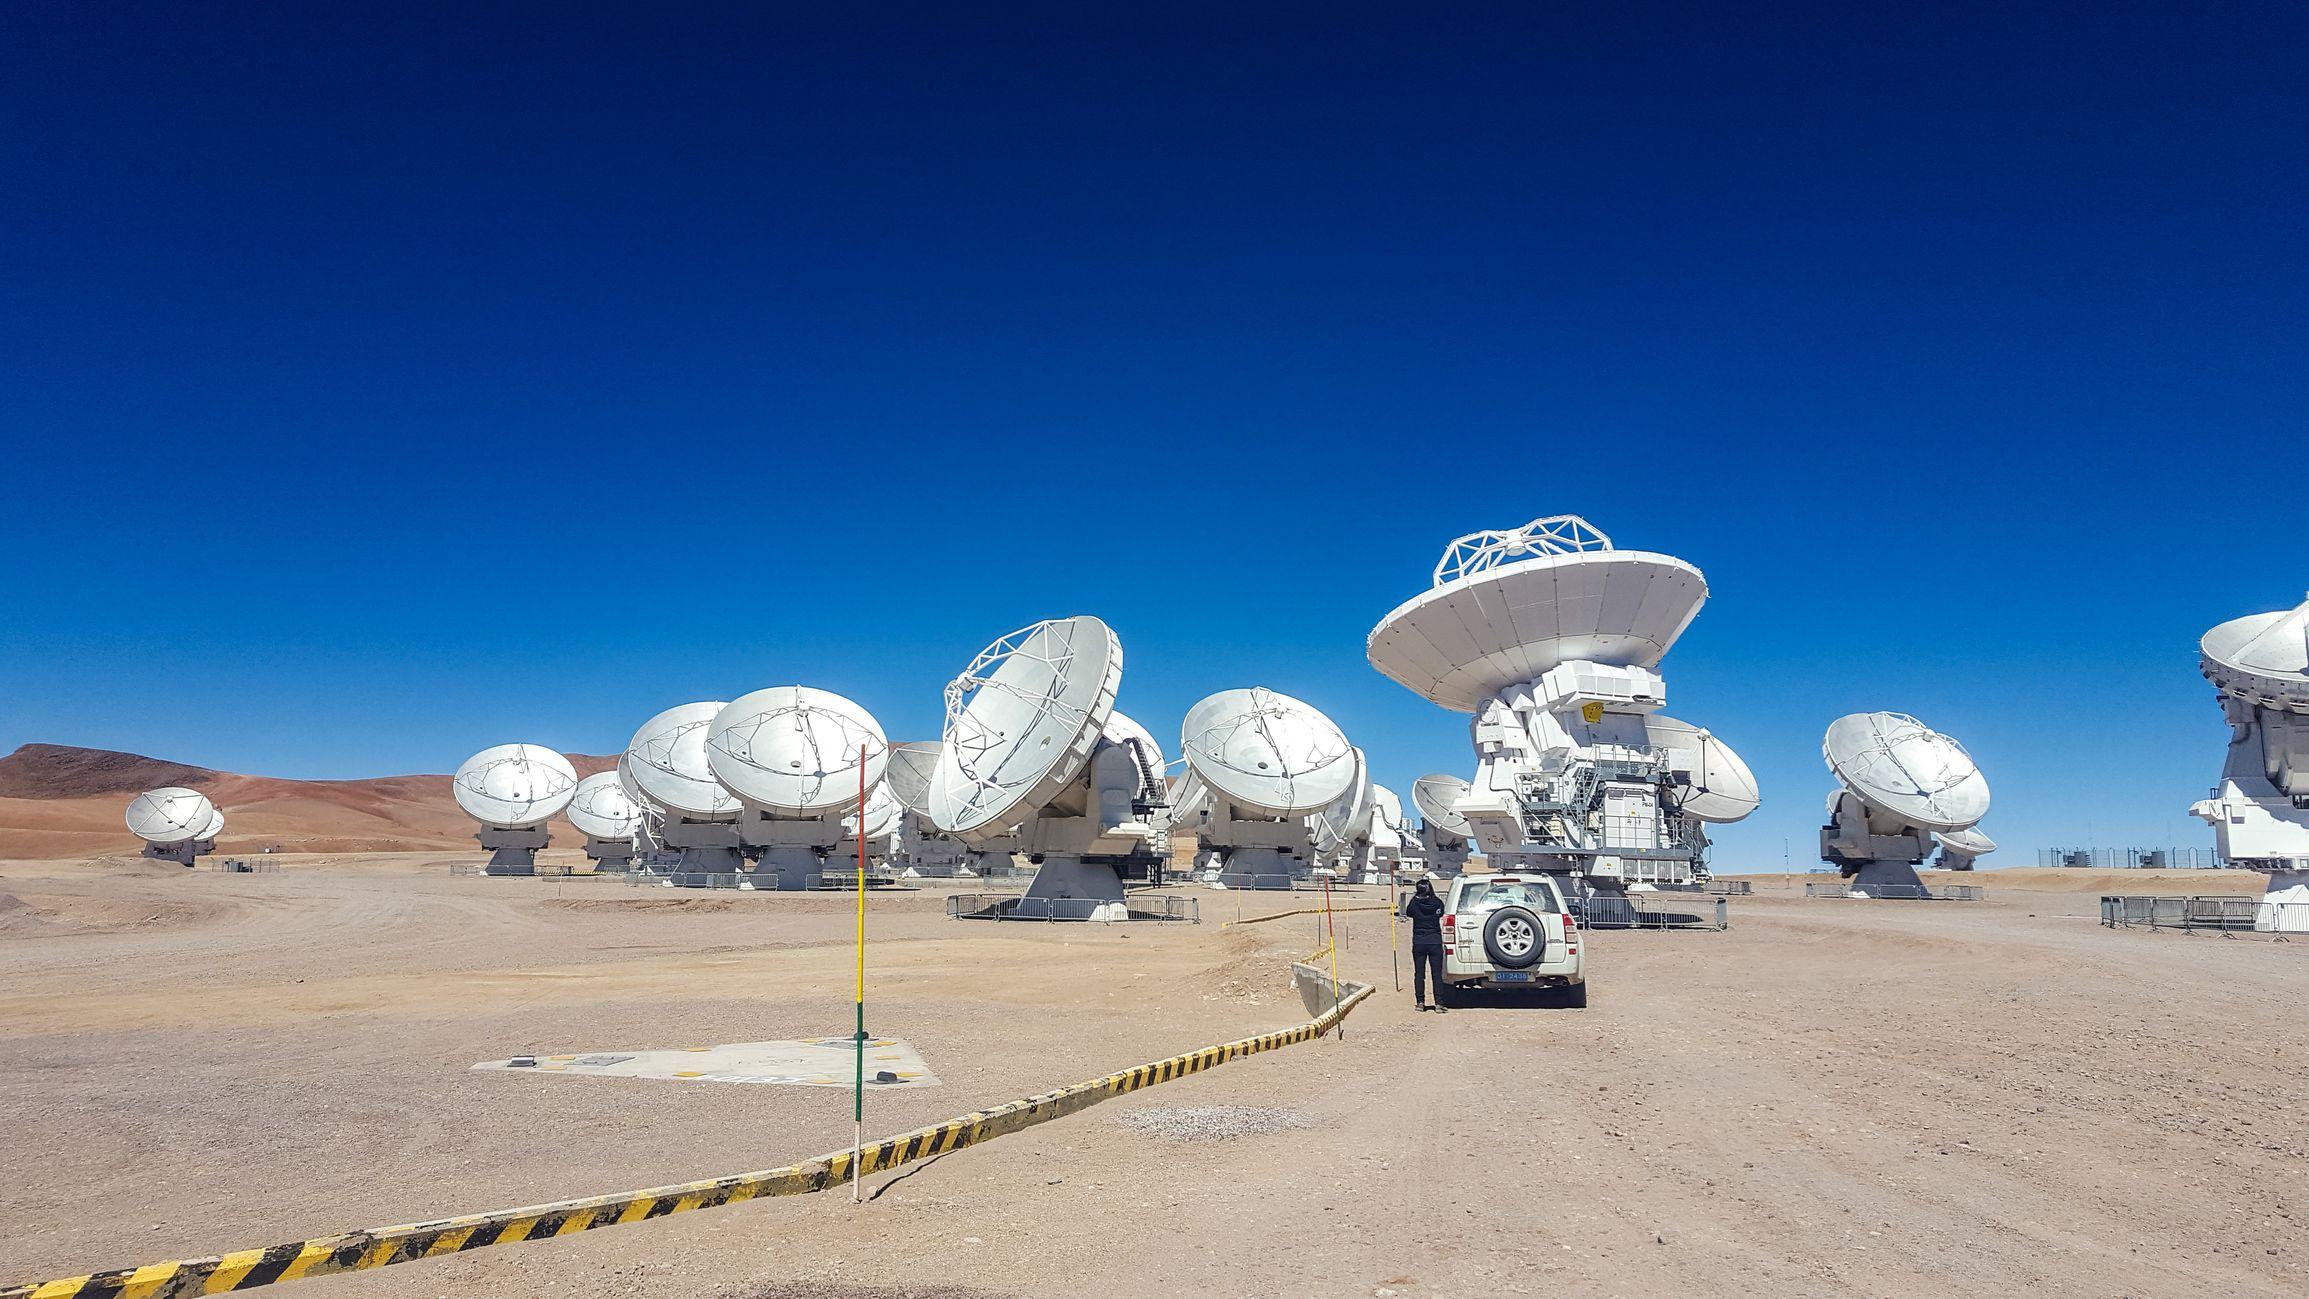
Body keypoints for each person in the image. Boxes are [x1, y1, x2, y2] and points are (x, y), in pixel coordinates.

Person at [1400, 876, 1448, 1012]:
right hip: (1435, 941)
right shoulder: (1437, 902)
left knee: (1419, 973)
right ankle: (1439, 1003)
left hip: (1419, 942)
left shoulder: (1414, 904)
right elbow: (1440, 913)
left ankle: (1420, 1002)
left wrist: (1415, 898)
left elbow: (1408, 913)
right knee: (1436, 974)